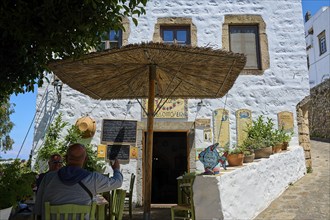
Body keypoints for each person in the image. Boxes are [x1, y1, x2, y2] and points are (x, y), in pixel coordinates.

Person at [34, 143, 123, 219]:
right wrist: (116, 169)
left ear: (65, 158)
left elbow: (38, 209)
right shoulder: (93, 179)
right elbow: (118, 182)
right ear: (86, 159)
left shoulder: (49, 177)